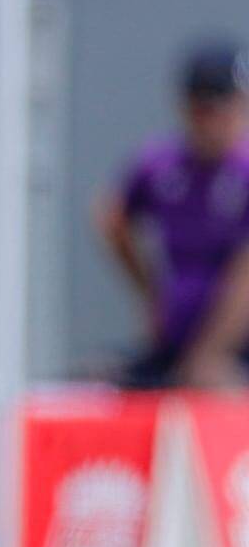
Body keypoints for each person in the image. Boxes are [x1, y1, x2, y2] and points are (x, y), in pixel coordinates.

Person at [98, 40, 249, 387]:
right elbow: (112, 217)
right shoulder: (162, 165)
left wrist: (213, 351)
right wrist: (151, 292)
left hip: (233, 350)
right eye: (209, 110)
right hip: (176, 343)